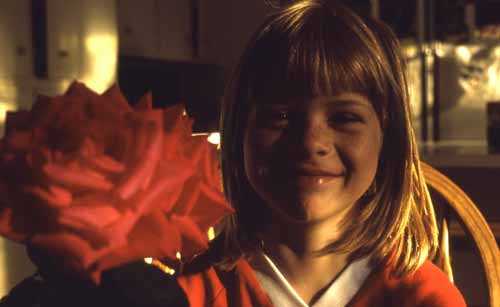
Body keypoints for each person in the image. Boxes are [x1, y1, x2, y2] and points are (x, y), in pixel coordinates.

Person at [1, 1, 466, 306]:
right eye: (280, 116)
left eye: (344, 117)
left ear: (389, 140)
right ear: (238, 132)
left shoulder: (423, 297)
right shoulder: (186, 292)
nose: (310, 142)